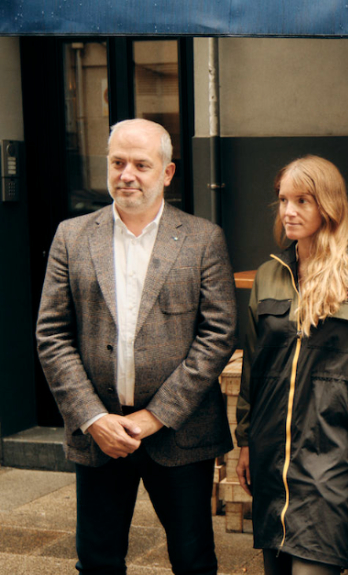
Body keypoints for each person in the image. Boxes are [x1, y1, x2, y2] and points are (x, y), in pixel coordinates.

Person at [36, 118, 237, 574]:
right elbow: (51, 334)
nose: (127, 174)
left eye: (141, 164)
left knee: (193, 560)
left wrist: (155, 416)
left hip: (180, 433)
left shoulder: (203, 239)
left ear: (166, 173)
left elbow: (218, 335)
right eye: (117, 162)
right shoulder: (72, 236)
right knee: (98, 560)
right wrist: (93, 418)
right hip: (99, 434)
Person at [235, 155, 348, 575]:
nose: (288, 211)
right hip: (272, 455)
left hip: (331, 452)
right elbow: (253, 366)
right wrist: (246, 441)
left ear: (328, 204)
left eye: (302, 200)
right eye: (284, 200)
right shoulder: (270, 274)